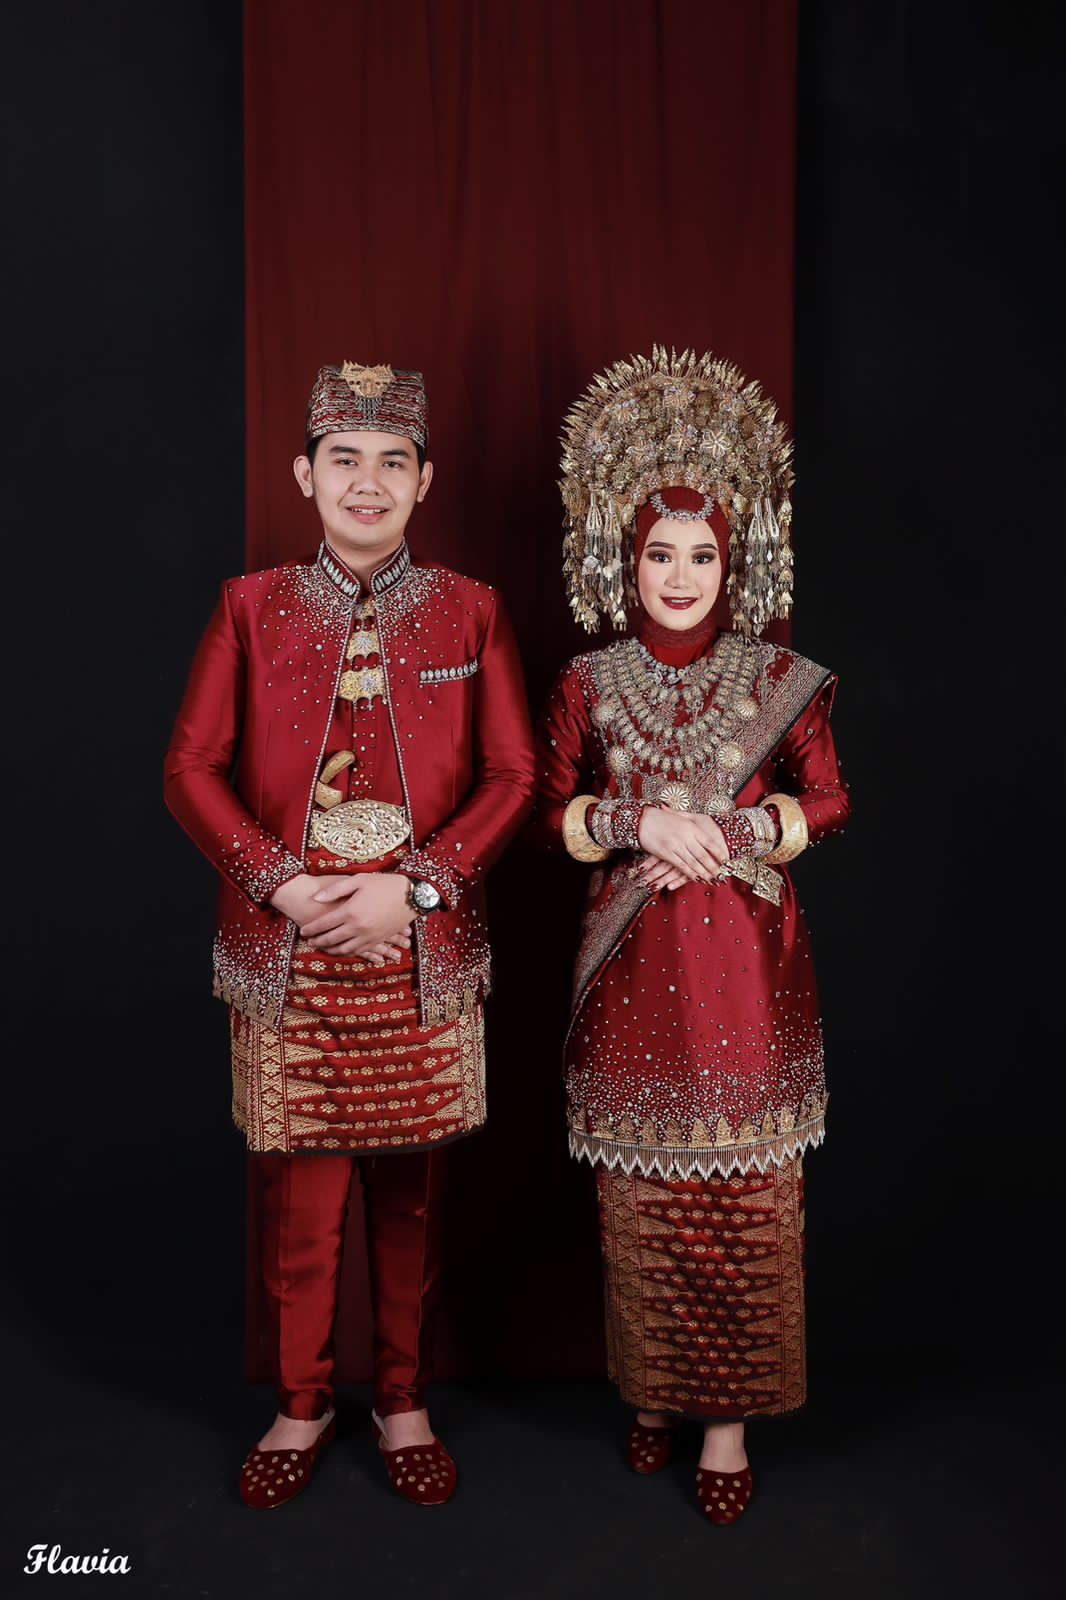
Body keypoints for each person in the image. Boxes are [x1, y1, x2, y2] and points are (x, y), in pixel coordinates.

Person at [165, 359, 534, 1507]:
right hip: (291, 947)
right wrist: (280, 885)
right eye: (343, 460)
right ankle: (300, 1402)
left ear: (424, 481)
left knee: (413, 1194)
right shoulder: (248, 605)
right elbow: (189, 768)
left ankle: (404, 1399)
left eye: (390, 462)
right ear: (304, 474)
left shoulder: (472, 608)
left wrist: (416, 891)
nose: (365, 482)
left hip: (420, 944)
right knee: (300, 1198)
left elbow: (514, 774)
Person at [533, 347, 849, 1524]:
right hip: (630, 964)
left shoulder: (781, 677)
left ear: (735, 559)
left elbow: (831, 800)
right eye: (657, 553)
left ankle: (726, 1423)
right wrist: (636, 823)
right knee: (642, 1200)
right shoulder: (587, 680)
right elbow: (547, 807)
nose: (678, 575)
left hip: (743, 971)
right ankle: (657, 1394)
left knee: (745, 1198)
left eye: (701, 554)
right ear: (623, 559)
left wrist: (741, 829)